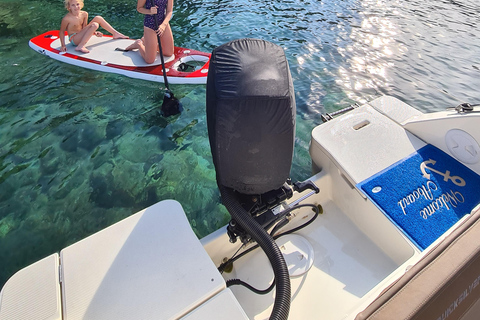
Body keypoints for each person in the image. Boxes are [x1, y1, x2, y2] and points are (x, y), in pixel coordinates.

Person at [60, 0, 128, 53]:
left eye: (77, 4)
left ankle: (115, 34)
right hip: (74, 39)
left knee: (98, 18)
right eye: (73, 5)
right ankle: (80, 46)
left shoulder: (84, 14)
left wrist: (94, 32)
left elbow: (85, 27)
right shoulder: (66, 19)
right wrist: (63, 45)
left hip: (81, 34)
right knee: (95, 24)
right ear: (69, 7)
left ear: (81, 4)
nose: (76, 7)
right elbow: (62, 32)